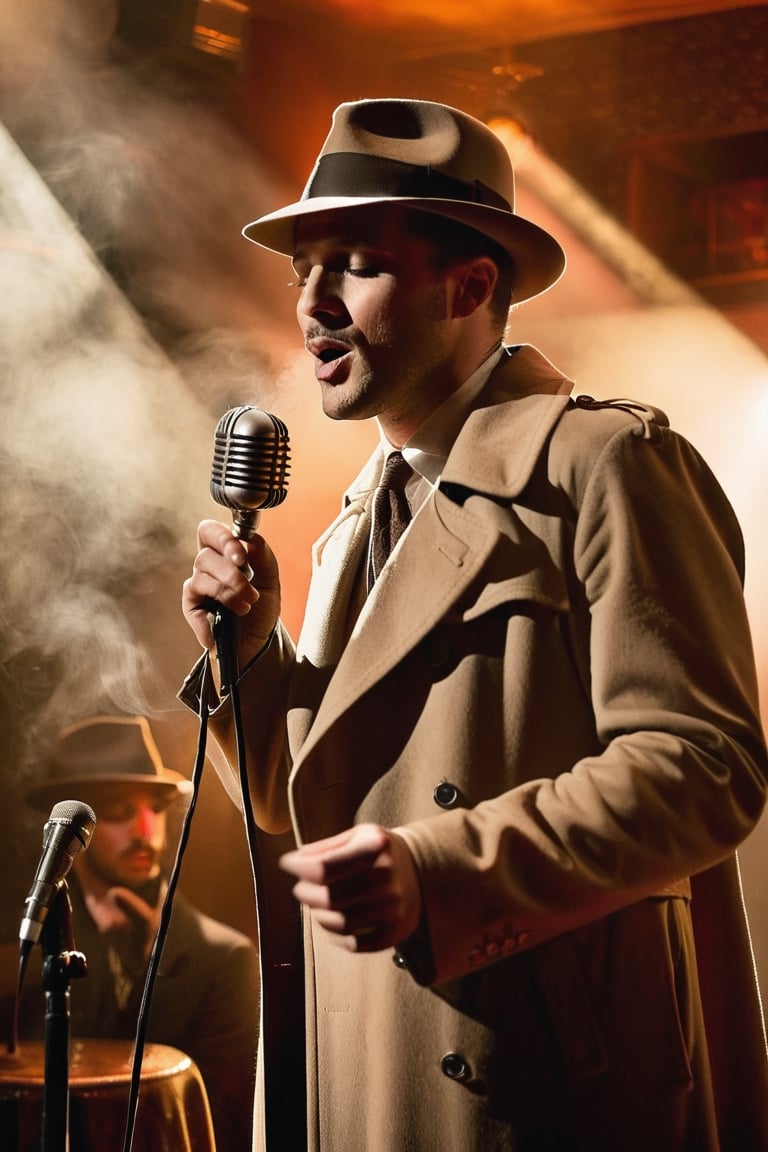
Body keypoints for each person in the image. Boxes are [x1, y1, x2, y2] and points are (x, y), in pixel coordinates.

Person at [179, 98, 768, 1151]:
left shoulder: (606, 464)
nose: (312, 302)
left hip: (529, 1078)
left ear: (472, 285)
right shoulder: (351, 522)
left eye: (354, 261)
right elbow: (297, 801)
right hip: (355, 1067)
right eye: (302, 269)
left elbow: (704, 767)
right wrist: (252, 656)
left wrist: (444, 871)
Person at [10, 714, 260, 1152]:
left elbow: (225, 1129)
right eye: (120, 812)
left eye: (155, 810)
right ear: (76, 833)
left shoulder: (226, 959)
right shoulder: (25, 947)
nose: (145, 832)